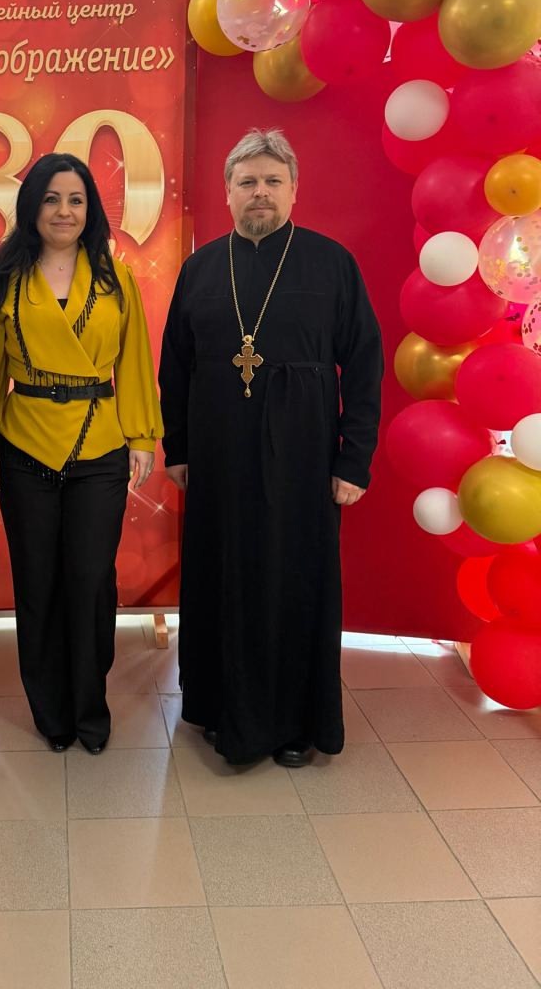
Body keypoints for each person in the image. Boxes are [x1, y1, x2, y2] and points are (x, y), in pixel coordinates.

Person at [159, 128, 382, 768]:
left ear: (293, 191)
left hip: (304, 457)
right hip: (218, 455)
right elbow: (175, 367)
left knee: (292, 579)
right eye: (247, 182)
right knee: (221, 574)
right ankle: (217, 705)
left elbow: (364, 364)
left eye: (272, 181)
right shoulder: (201, 268)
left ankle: (291, 722)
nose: (260, 192)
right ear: (227, 192)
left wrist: (353, 459)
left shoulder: (331, 263)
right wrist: (178, 448)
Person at [0, 153, 163, 754]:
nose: (64, 211)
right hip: (24, 444)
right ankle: (50, 709)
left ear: (91, 209)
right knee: (37, 581)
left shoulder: (115, 276)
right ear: (31, 206)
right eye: (51, 199)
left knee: (90, 581)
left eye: (76, 199)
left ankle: (88, 704)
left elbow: (134, 359)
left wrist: (141, 435)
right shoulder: (2, 279)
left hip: (99, 445)